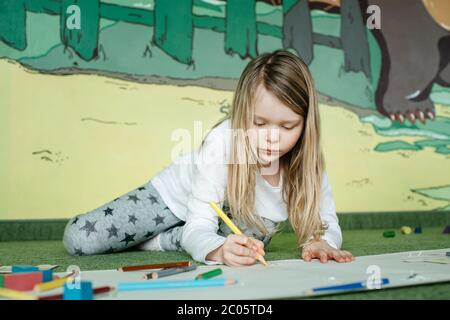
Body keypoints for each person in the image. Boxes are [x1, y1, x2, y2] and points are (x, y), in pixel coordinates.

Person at [63, 50, 354, 266]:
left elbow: (324, 221)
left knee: (256, 239)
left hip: (226, 216)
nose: (272, 138)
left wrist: (323, 242)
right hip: (174, 200)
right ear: (242, 114)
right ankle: (174, 238)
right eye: (260, 123)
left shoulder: (308, 161)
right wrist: (217, 250)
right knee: (81, 239)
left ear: (305, 125)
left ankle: (174, 240)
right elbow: (200, 226)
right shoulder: (222, 143)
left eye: (287, 127)